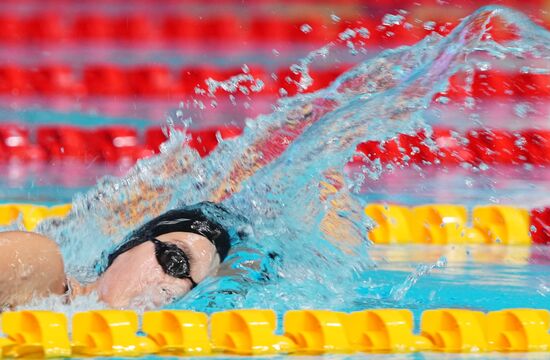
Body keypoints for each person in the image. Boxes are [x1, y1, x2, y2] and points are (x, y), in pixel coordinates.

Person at [0, 202, 242, 310]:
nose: (175, 288)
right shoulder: (40, 263)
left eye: (191, 288)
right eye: (175, 260)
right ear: (130, 246)